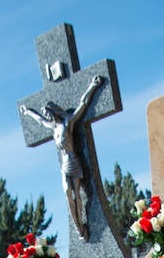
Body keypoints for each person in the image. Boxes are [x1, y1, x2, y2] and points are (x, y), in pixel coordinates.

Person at [21, 74, 103, 240]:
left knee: (77, 195)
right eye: (47, 115)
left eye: (49, 113)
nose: (48, 117)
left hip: (74, 161)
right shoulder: (53, 127)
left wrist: (92, 86)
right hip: (64, 165)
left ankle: (83, 226)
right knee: (67, 193)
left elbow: (83, 104)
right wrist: (28, 111)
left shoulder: (68, 122)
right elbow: (39, 120)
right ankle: (78, 227)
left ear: (54, 111)